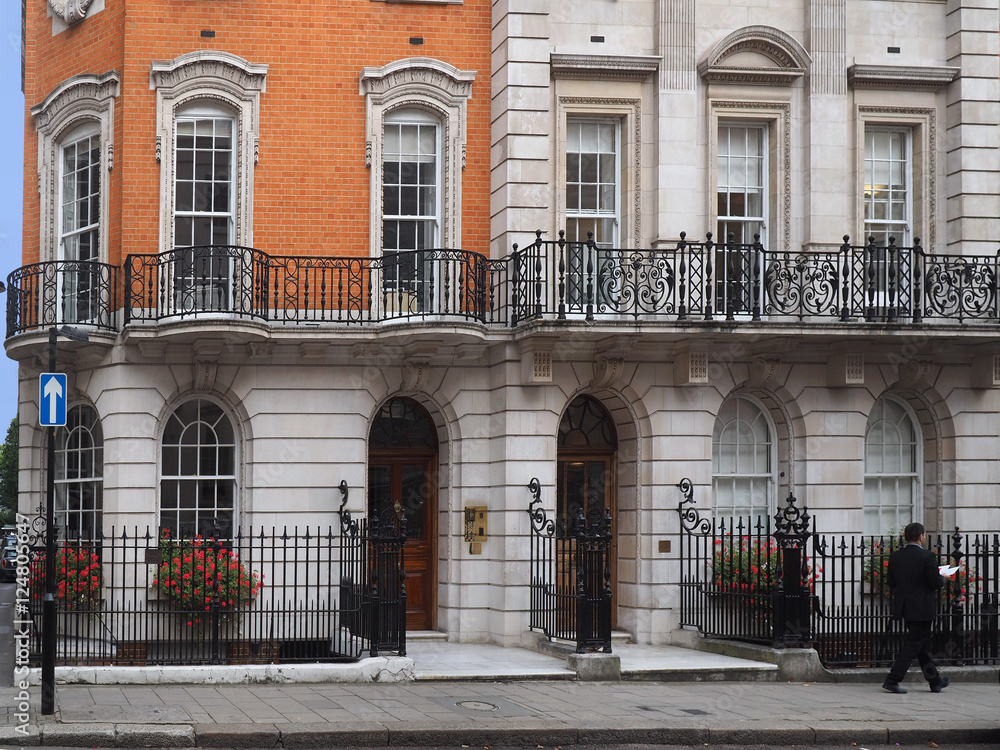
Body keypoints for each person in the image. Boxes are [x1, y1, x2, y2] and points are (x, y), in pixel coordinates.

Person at [882, 522, 955, 694]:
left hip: (905, 607)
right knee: (913, 644)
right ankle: (892, 680)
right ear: (921, 536)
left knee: (921, 646)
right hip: (922, 608)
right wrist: (944, 577)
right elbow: (935, 583)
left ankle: (935, 681)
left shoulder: (895, 557)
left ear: (905, 537)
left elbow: (891, 583)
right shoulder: (927, 556)